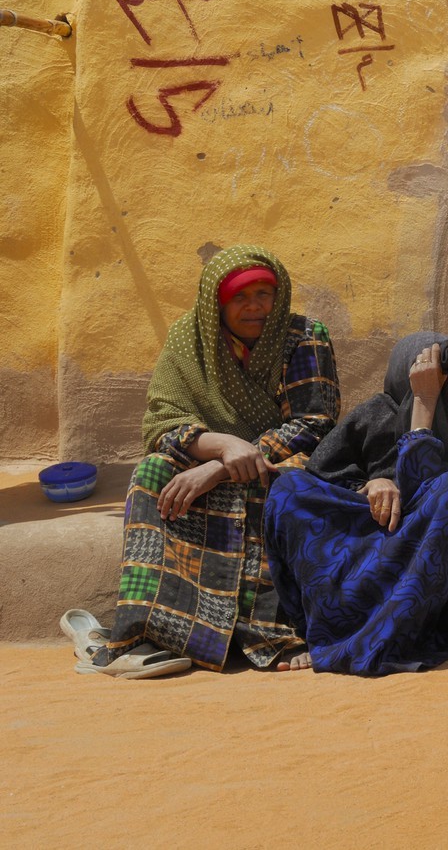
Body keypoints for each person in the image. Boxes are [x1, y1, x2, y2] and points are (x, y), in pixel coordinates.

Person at [80, 246, 340, 678]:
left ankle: (271, 634)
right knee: (152, 472)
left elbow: (315, 421)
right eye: (240, 297)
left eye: (264, 293)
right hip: (211, 452)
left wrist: (225, 464)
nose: (255, 306)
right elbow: (162, 422)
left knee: (279, 483)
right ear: (217, 303)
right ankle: (159, 632)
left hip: (281, 458)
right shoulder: (190, 340)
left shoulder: (304, 336)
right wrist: (220, 445)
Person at [264, 335, 448, 675]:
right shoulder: (374, 414)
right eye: (443, 381)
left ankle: (384, 637)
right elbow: (324, 475)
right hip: (375, 549)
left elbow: (440, 500)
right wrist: (369, 483)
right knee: (288, 487)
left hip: (443, 572)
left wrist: (423, 405)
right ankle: (324, 629)